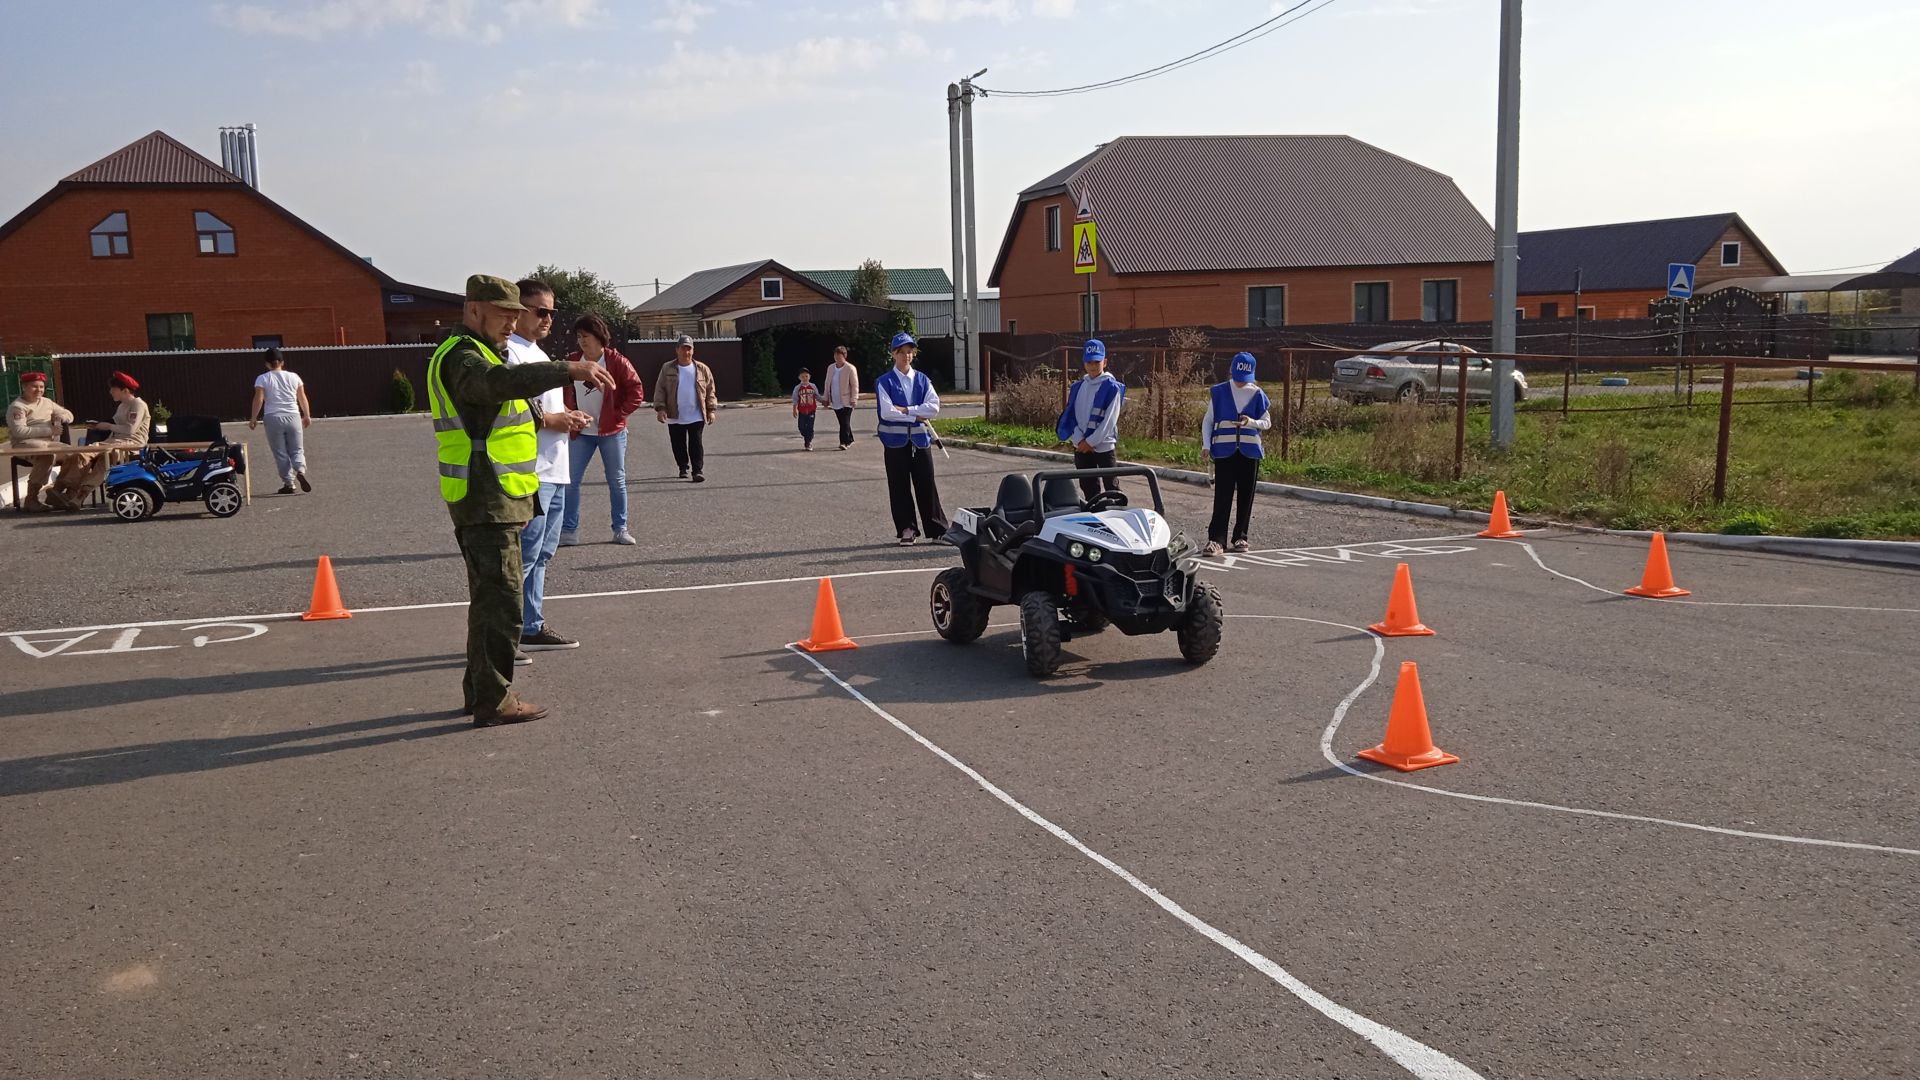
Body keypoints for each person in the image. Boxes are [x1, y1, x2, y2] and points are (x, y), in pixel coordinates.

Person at [428, 274, 613, 728]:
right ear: (474, 310)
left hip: (497, 493)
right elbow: (496, 384)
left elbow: (513, 401)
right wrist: (569, 369)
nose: (512, 324)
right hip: (485, 494)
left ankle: (481, 693)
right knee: (503, 602)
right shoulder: (465, 357)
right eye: (504, 316)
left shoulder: (481, 352)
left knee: (490, 600)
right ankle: (495, 701)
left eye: (516, 316)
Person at [506, 278, 594, 653]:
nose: (547, 319)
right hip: (531, 470)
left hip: (555, 468)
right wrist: (552, 421)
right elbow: (508, 409)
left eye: (551, 313)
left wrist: (567, 415)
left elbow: (543, 408)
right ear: (518, 310)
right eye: (540, 311)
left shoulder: (539, 355)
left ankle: (531, 624)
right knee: (523, 556)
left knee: (542, 554)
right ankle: (504, 638)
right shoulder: (509, 352)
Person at [558, 313, 645, 546]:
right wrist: (569, 412)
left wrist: (618, 415)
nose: (582, 341)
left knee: (616, 480)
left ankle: (620, 529)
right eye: (579, 336)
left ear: (599, 338)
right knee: (571, 480)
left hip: (611, 432)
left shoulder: (617, 362)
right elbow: (563, 392)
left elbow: (636, 391)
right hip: (581, 433)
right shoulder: (573, 360)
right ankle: (569, 531)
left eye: (586, 336)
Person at [874, 332, 948, 545]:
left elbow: (933, 408)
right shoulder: (884, 382)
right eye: (901, 352)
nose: (906, 356)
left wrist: (906, 410)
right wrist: (918, 413)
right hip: (894, 443)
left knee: (926, 483)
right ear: (893, 354)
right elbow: (887, 412)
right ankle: (907, 528)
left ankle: (937, 529)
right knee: (899, 486)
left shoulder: (923, 380)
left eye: (909, 352)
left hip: (920, 441)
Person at [1200, 352, 1272, 555]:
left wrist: (1252, 422)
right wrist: (1206, 445)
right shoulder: (1220, 392)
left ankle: (1241, 536)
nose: (1241, 383)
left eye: (1245, 379)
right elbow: (1208, 420)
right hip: (1224, 450)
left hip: (1250, 452)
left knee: (1246, 495)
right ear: (1231, 371)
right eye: (1238, 378)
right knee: (1222, 495)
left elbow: (1267, 422)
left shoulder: (1257, 394)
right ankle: (1216, 539)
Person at [47, 370, 149, 511]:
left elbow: (130, 429)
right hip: (113, 441)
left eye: (113, 389)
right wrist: (98, 425)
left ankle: (78, 496)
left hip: (131, 444)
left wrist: (108, 426)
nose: (110, 392)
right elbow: (115, 424)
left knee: (106, 459)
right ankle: (63, 490)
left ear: (125, 390)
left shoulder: (138, 405)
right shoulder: (122, 406)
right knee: (81, 454)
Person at [1057, 338, 1126, 501]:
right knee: (1088, 486)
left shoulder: (1112, 387)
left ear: (1105, 362)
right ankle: (1094, 518)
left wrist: (1091, 442)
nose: (1093, 366)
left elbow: (1109, 421)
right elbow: (1071, 416)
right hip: (1081, 446)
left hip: (1104, 446)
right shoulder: (1077, 387)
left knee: (1112, 487)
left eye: (1097, 362)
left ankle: (1115, 517)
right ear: (1084, 364)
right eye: (1089, 362)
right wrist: (1080, 440)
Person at [247, 348, 313, 494]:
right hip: (293, 416)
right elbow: (302, 397)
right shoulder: (294, 377)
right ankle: (300, 469)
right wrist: (307, 415)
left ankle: (289, 483)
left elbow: (259, 399)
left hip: (273, 417)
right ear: (282, 362)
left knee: (280, 452)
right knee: (297, 448)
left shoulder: (262, 378)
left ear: (267, 364)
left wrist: (253, 418)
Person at [652, 334, 717, 482]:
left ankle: (697, 471)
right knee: (678, 443)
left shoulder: (702, 369)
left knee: (696, 443)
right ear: (677, 350)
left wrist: (711, 410)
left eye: (689, 349)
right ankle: (683, 467)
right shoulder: (667, 368)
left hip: (696, 414)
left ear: (693, 351)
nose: (686, 352)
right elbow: (660, 389)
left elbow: (710, 390)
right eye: (683, 349)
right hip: (675, 414)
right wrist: (661, 409)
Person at [5, 371, 72, 512]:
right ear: (24, 387)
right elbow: (19, 432)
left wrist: (62, 416)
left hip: (49, 443)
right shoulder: (17, 407)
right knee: (45, 453)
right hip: (24, 444)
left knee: (74, 455)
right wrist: (49, 431)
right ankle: (31, 499)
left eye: (41, 387)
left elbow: (69, 414)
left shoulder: (47, 402)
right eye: (34, 386)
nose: (39, 390)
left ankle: (58, 492)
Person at [823, 345, 860, 449]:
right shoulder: (831, 368)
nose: (837, 358)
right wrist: (825, 398)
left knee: (845, 421)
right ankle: (850, 438)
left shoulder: (850, 368)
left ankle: (843, 442)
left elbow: (854, 385)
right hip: (835, 399)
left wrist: (854, 398)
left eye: (839, 356)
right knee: (843, 422)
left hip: (847, 400)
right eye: (835, 356)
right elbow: (827, 383)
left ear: (844, 356)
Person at [792, 367, 819, 450]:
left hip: (811, 410)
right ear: (799, 378)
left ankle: (808, 442)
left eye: (806, 376)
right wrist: (794, 410)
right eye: (802, 376)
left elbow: (817, 396)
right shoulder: (797, 388)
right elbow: (795, 399)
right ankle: (807, 435)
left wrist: (824, 401)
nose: (805, 378)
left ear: (809, 377)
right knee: (801, 427)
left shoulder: (813, 386)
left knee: (810, 427)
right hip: (802, 411)